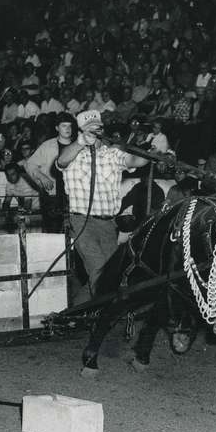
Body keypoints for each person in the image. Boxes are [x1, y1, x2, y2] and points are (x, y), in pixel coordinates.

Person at [56, 109, 148, 302]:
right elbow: (61, 161)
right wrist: (80, 142)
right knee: (99, 270)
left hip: (108, 224)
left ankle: (72, 314)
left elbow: (134, 160)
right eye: (89, 129)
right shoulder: (73, 154)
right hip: (82, 223)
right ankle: (97, 316)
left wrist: (152, 155)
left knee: (111, 275)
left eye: (97, 128)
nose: (94, 133)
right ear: (80, 132)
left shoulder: (112, 154)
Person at [25, 112, 74, 232]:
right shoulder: (47, 145)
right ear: (57, 128)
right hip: (52, 196)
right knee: (52, 231)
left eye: (69, 126)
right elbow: (29, 164)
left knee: (72, 231)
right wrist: (41, 177)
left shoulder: (77, 145)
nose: (67, 129)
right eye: (64, 126)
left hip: (72, 196)